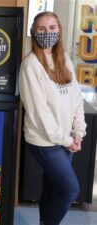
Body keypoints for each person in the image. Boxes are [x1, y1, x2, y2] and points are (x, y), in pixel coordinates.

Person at [19, 11, 87, 225]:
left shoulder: (64, 59)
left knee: (53, 187)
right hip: (45, 142)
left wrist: (78, 132)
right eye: (41, 29)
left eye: (52, 28)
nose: (47, 33)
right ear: (34, 33)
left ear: (59, 31)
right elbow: (39, 113)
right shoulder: (30, 65)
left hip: (66, 138)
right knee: (69, 189)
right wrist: (67, 141)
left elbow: (76, 97)